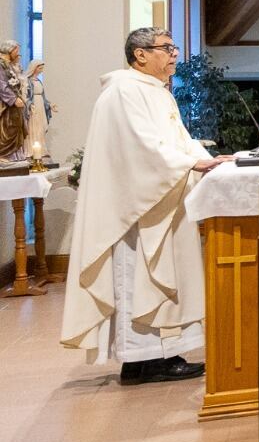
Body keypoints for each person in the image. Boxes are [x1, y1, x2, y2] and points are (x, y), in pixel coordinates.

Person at [61, 28, 226, 383]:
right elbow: (141, 147)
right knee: (138, 279)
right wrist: (189, 164)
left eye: (174, 48)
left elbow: (176, 140)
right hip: (134, 211)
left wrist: (206, 159)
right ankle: (141, 360)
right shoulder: (123, 91)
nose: (174, 56)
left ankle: (160, 356)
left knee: (158, 280)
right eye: (167, 49)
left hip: (160, 200)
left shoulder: (157, 93)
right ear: (140, 54)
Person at [0, 40, 43, 160]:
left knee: (16, 128)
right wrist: (13, 99)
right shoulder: (1, 64)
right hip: (6, 106)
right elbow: (1, 85)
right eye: (16, 50)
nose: (17, 53)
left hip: (15, 105)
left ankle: (15, 156)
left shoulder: (9, 64)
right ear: (10, 50)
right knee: (8, 129)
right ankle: (6, 156)